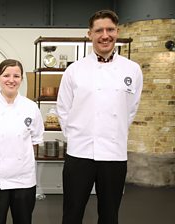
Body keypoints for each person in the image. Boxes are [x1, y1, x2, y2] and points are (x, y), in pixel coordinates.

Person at [56, 9, 143, 224]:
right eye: (99, 30)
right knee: (72, 213)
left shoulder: (132, 70)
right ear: (90, 34)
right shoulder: (74, 70)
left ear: (117, 31)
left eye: (110, 29)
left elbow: (130, 109)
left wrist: (114, 130)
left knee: (109, 215)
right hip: (80, 153)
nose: (105, 35)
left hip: (114, 153)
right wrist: (77, 135)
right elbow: (63, 109)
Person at [0, 59, 44, 224]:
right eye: (6, 75)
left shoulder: (31, 107)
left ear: (21, 79)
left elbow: (35, 141)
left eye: (16, 76)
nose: (11, 80)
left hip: (24, 180)